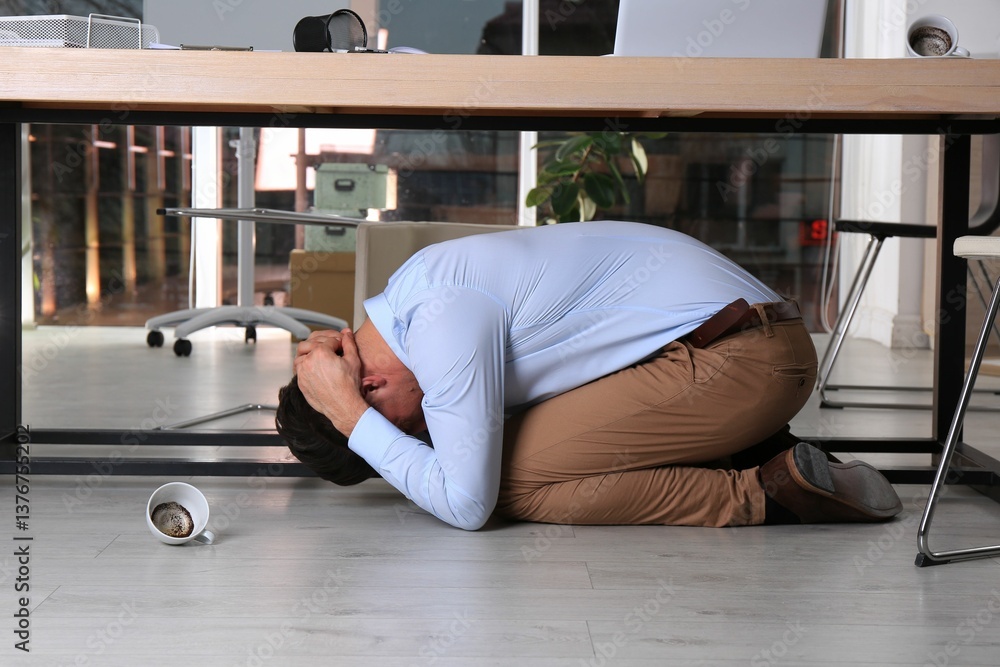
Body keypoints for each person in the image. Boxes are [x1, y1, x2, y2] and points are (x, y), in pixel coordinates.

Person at [277, 220, 903, 530]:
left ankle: (766, 492)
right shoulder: (417, 290)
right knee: (508, 449)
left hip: (747, 361)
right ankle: (763, 451)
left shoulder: (440, 325)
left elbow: (468, 504)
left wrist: (353, 423)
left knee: (505, 482)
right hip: (744, 344)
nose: (429, 435)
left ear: (369, 389)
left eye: (412, 433)